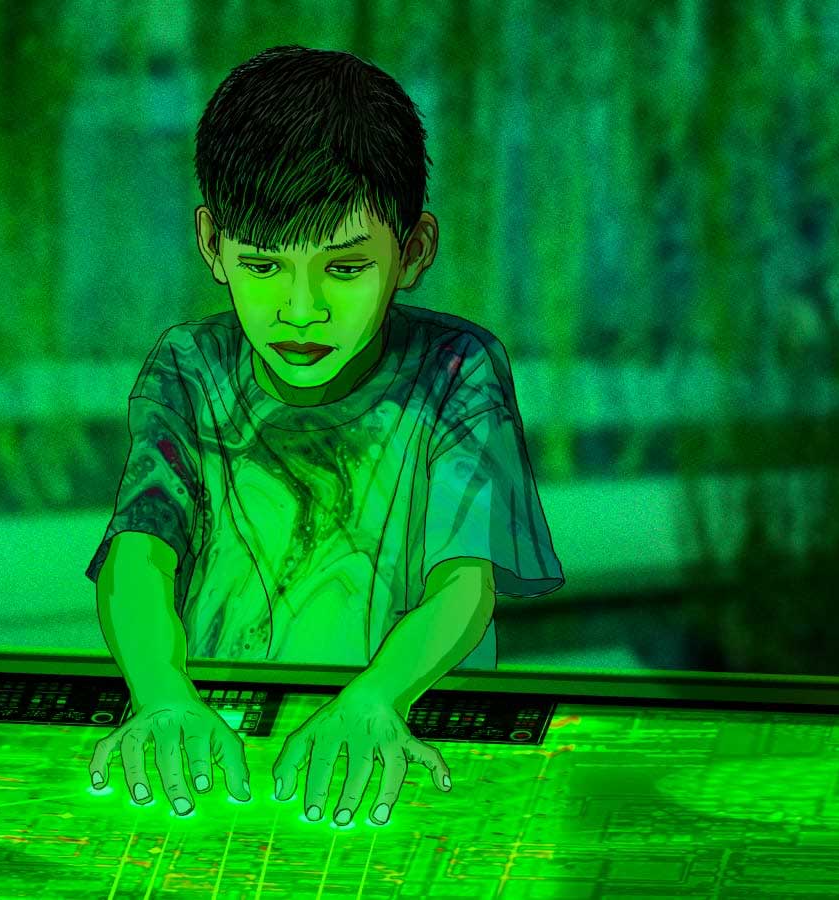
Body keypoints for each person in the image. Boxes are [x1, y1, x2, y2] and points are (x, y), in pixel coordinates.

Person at [85, 45, 563, 827]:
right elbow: (140, 552)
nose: (299, 309)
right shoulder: (191, 366)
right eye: (264, 267)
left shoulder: (454, 368)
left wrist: (376, 699)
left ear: (410, 252)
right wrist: (164, 696)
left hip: (404, 739)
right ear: (213, 247)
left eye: (343, 269)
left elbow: (463, 583)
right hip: (223, 741)